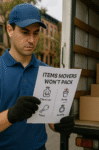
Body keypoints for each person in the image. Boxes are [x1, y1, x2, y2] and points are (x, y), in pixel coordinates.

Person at [0, 3, 74, 150]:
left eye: (36, 33)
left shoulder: (48, 73)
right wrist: (11, 115)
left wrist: (60, 124)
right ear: (10, 30)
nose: (32, 40)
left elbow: (51, 122)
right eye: (25, 32)